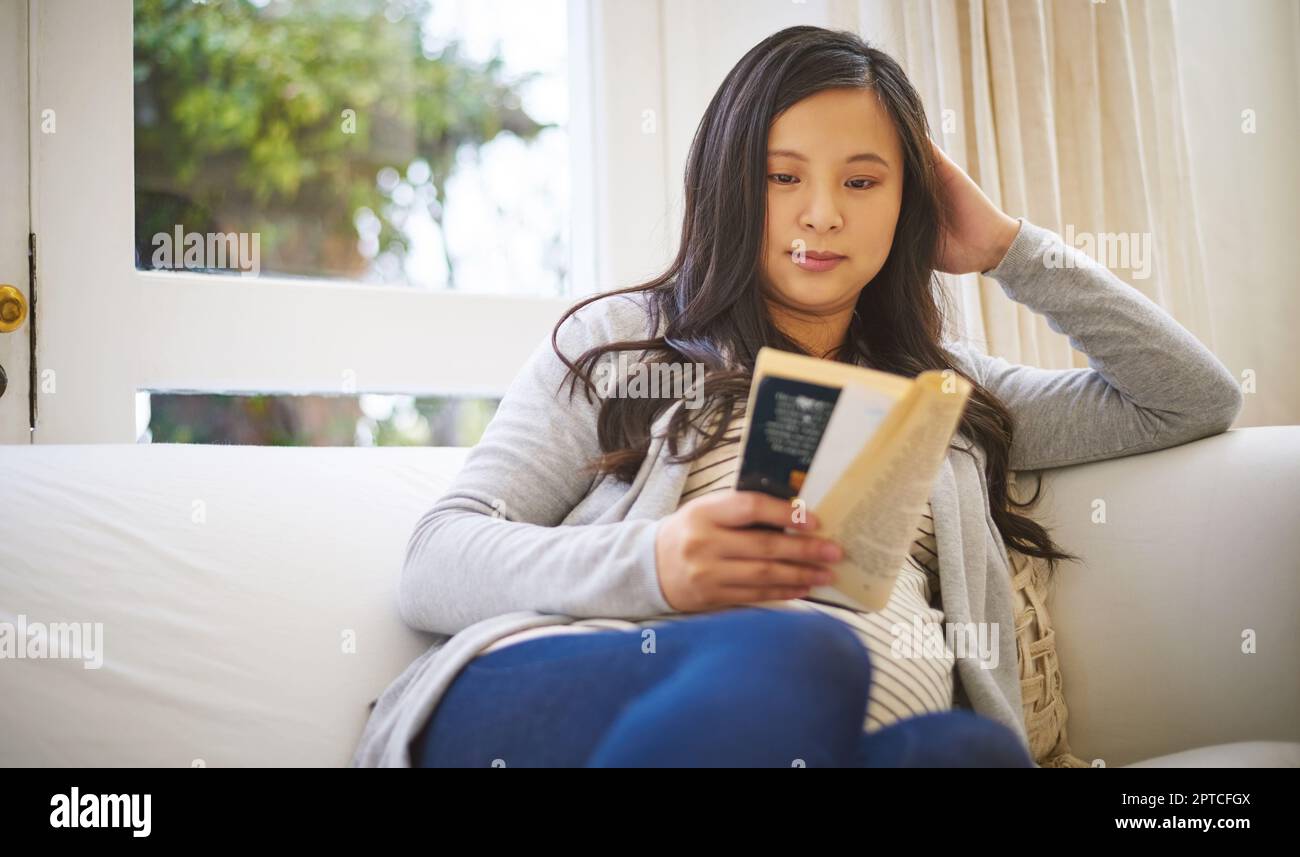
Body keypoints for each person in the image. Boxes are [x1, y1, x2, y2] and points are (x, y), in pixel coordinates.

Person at [351, 25, 1243, 768]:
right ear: (732, 185)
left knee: (970, 755)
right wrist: (657, 563)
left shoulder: (952, 391)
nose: (822, 213)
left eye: (862, 181)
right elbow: (434, 559)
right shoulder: (624, 344)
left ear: (910, 205)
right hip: (585, 688)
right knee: (804, 647)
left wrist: (1007, 245)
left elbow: (1189, 397)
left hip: (829, 739)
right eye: (784, 178)